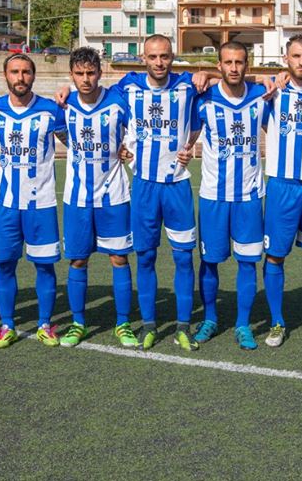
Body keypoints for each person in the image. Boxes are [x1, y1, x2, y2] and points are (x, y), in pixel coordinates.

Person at [57, 34, 201, 351]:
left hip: (169, 186)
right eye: (153, 56)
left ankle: (178, 326)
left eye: (165, 56)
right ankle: (139, 324)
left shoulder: (186, 85)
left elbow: (214, 89)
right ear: (143, 58)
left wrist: (208, 75)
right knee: (120, 258)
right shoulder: (121, 89)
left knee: (174, 258)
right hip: (127, 189)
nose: (159, 62)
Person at [186, 41, 269, 350]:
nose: (234, 68)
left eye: (239, 62)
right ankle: (210, 318)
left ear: (247, 65)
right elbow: (187, 135)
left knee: (247, 262)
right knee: (209, 261)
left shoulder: (262, 97)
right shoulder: (203, 100)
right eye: (228, 62)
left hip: (249, 196)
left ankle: (243, 323)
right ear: (218, 65)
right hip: (213, 196)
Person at [55, 47, 139, 348]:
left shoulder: (118, 101)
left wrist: (128, 148)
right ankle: (78, 323)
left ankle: (123, 323)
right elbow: (61, 135)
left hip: (114, 195)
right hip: (77, 199)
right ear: (71, 75)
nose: (86, 79)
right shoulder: (63, 106)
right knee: (78, 260)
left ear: (100, 73)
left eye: (91, 73)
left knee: (119, 258)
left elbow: (135, 131)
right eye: (79, 74)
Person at [0, 53, 67, 349]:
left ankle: (45, 324)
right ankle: (7, 325)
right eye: (14, 72)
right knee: (5, 265)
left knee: (44, 266)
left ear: (34, 75)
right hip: (5, 202)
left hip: (41, 203)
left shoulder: (51, 111)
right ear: (5, 75)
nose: (20, 77)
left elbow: (74, 142)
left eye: (26, 72)